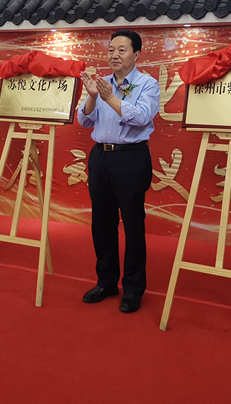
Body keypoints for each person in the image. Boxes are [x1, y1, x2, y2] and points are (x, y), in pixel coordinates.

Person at [77, 29, 160, 313]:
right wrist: (92, 97)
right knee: (102, 223)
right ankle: (106, 281)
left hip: (131, 158)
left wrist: (110, 98)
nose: (114, 55)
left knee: (133, 225)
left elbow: (142, 117)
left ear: (136, 55)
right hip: (101, 156)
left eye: (121, 50)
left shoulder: (147, 84)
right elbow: (84, 120)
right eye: (111, 50)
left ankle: (134, 289)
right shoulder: (100, 83)